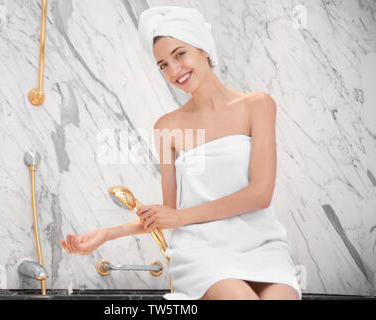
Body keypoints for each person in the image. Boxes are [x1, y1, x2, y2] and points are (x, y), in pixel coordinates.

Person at [61, 6, 302, 300]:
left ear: (203, 49)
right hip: (204, 252)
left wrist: (179, 217)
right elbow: (169, 213)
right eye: (163, 65)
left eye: (179, 54)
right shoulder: (167, 128)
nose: (174, 71)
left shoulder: (258, 106)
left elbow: (259, 194)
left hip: (261, 245)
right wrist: (107, 234)